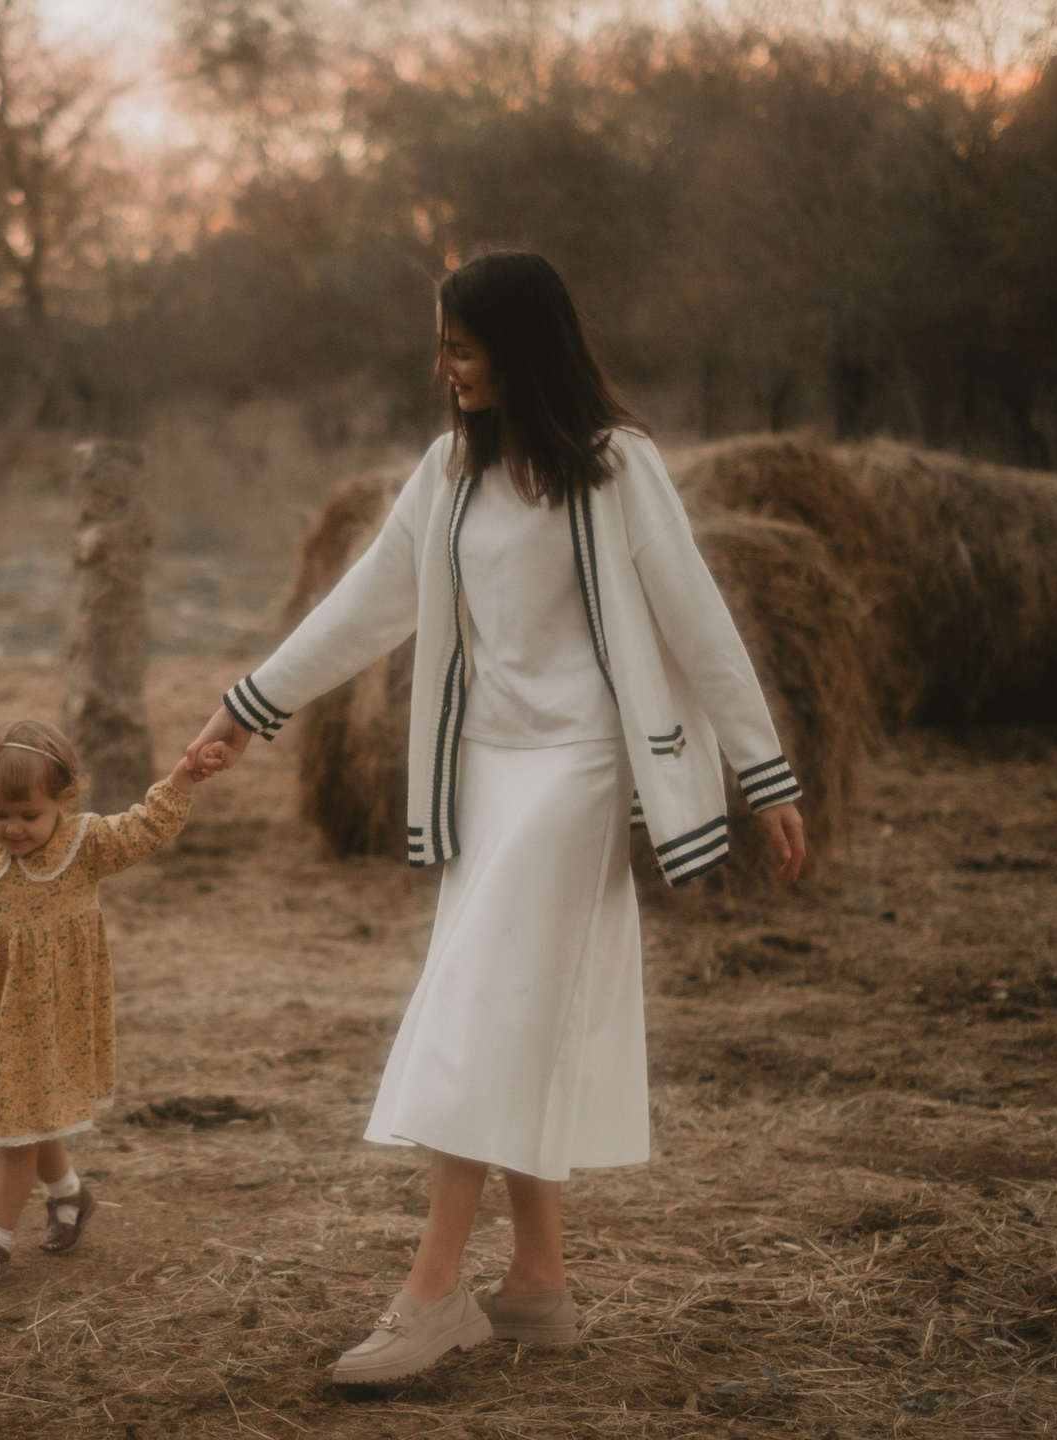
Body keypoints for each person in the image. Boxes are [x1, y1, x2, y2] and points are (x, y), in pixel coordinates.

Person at [185, 250, 807, 1384]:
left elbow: (699, 623)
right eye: (441, 345)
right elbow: (366, 601)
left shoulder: (620, 469)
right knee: (519, 1009)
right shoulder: (449, 474)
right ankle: (536, 1284)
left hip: (577, 772)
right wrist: (251, 709)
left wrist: (765, 773)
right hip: (485, 772)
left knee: (479, 1010)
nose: (445, 368)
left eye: (462, 348)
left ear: (521, 348)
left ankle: (430, 1297)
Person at [0, 720, 231, 1287]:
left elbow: (145, 828)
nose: (13, 828)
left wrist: (180, 779)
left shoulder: (85, 845)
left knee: (17, 1125)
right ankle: (70, 1195)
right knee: (25, 1111)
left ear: (63, 800)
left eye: (29, 814)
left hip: (53, 1010)